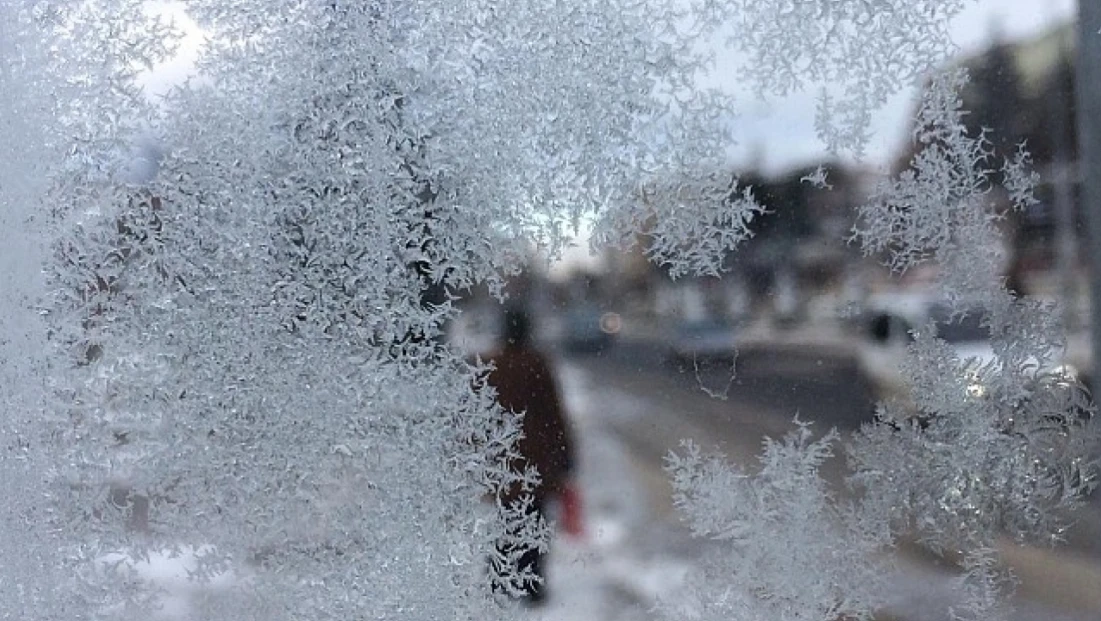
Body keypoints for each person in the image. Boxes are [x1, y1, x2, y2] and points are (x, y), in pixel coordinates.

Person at [484, 305, 575, 605]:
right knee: (534, 524)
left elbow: (477, 415)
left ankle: (500, 582)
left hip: (503, 462)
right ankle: (531, 585)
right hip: (535, 463)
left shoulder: (491, 365)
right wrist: (565, 457)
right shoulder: (536, 364)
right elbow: (553, 415)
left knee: (507, 523)